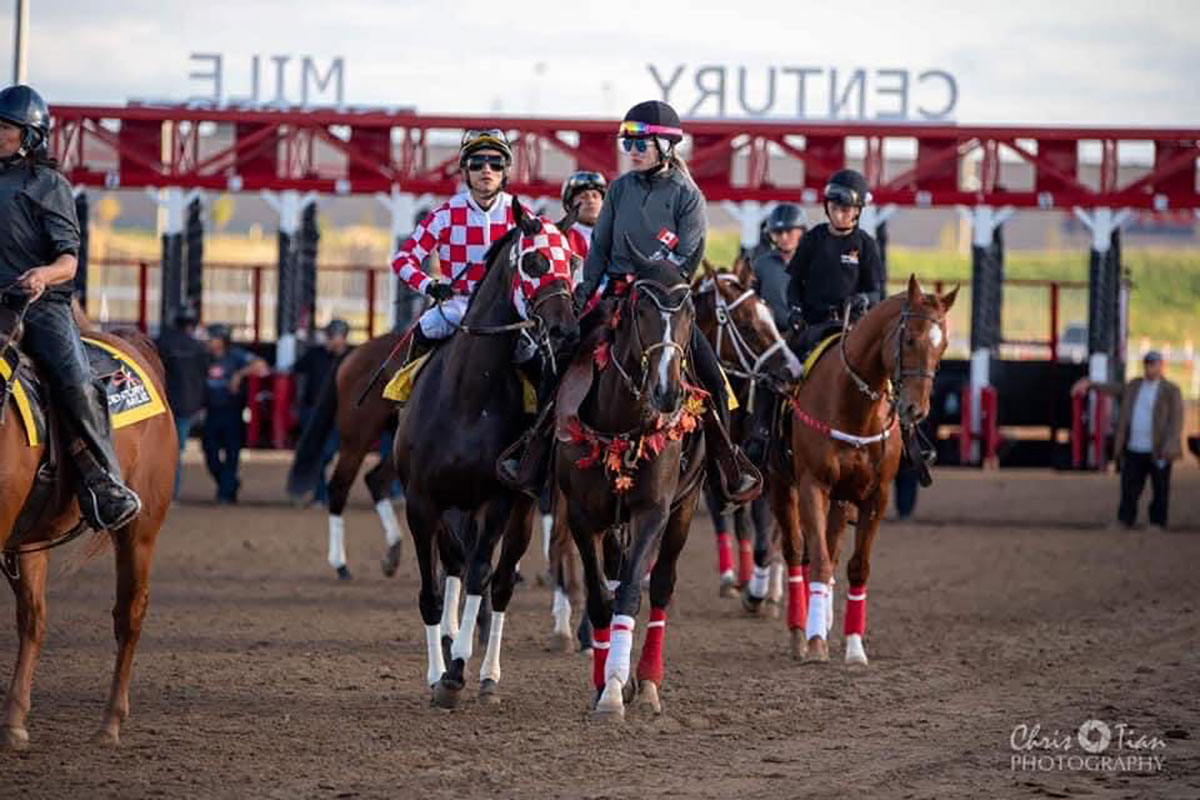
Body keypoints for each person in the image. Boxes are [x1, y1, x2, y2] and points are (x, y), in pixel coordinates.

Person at [500, 100, 760, 506]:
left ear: (666, 147)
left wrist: (652, 287)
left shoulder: (688, 197)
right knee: (561, 358)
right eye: (629, 142)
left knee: (712, 374)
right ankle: (533, 452)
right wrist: (586, 289)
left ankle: (728, 465)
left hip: (665, 304)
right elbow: (600, 246)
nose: (632, 150)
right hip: (615, 297)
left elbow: (688, 259)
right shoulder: (619, 188)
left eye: (640, 143)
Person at [0, 84, 142, 530]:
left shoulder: (49, 185)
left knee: (77, 381)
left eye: (4, 128)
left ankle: (105, 483)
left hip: (40, 307)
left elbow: (69, 260)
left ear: (30, 136)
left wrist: (42, 275)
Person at [391, 129, 516, 363]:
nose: (486, 169)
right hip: (459, 305)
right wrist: (430, 286)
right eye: (477, 162)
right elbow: (402, 259)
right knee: (429, 324)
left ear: (504, 171)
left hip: (508, 306)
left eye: (495, 163)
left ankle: (546, 399)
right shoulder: (445, 215)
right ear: (465, 171)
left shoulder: (520, 215)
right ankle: (406, 389)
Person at [1072, 351, 1184, 530]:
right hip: (1134, 446)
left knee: (1160, 488)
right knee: (1129, 487)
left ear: (1161, 366)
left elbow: (1176, 421)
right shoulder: (1134, 386)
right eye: (1147, 364)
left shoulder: (1171, 390)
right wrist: (1091, 384)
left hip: (1158, 448)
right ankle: (1125, 519)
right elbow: (1113, 388)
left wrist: (1170, 445)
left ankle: (1157, 521)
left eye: (1153, 364)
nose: (1149, 368)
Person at [785, 168, 884, 359]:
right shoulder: (812, 238)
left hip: (852, 328)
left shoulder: (866, 245)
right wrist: (795, 310)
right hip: (812, 327)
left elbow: (876, 293)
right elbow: (794, 283)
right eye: (834, 208)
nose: (838, 215)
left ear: (857, 211)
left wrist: (862, 299)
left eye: (844, 210)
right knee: (785, 375)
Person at [202, 324, 268, 504]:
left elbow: (261, 366)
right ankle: (229, 484)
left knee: (232, 454)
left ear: (222, 341)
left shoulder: (236, 356)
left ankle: (225, 493)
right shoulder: (205, 357)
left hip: (232, 411)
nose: (208, 341)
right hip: (211, 412)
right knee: (210, 454)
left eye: (212, 338)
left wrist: (239, 374)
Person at [292, 318, 352, 504]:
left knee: (327, 453)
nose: (333, 340)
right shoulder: (314, 355)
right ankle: (320, 495)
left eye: (336, 336)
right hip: (312, 411)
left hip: (337, 413)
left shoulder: (353, 358)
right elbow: (294, 369)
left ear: (344, 338)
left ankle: (322, 492)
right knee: (316, 453)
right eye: (330, 336)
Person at [157, 305, 208, 499]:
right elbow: (204, 376)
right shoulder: (198, 347)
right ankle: (172, 492)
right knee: (175, 451)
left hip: (162, 404)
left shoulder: (163, 343)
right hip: (187, 405)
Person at [752, 203, 807, 331]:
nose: (784, 237)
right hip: (770, 337)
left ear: (802, 231)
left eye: (789, 231)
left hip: (807, 337)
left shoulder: (814, 264)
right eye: (778, 232)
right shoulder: (760, 265)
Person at [560, 170, 607, 282]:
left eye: (595, 196)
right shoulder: (562, 238)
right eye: (583, 197)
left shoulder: (618, 235)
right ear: (571, 204)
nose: (591, 201)